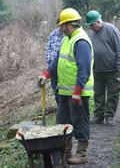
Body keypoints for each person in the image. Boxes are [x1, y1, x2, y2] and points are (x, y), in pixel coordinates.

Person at [38, 8, 94, 165]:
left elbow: (84, 69)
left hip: (78, 93)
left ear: (69, 24)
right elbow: (57, 61)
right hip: (64, 91)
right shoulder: (67, 39)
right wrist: (46, 74)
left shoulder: (81, 41)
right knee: (62, 122)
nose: (60, 29)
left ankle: (82, 154)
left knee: (80, 120)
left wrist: (77, 92)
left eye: (62, 25)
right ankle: (66, 152)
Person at [85, 10, 120, 126]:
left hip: (112, 69)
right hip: (97, 70)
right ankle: (98, 116)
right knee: (98, 94)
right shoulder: (92, 33)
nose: (91, 28)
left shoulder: (111, 29)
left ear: (98, 22)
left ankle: (109, 116)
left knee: (113, 94)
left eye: (92, 25)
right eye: (89, 26)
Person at [46, 18, 64, 106]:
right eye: (59, 24)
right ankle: (59, 107)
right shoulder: (53, 34)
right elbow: (48, 49)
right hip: (53, 67)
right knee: (55, 88)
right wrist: (49, 62)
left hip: (64, 67)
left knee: (64, 90)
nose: (61, 26)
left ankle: (65, 108)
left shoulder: (68, 35)